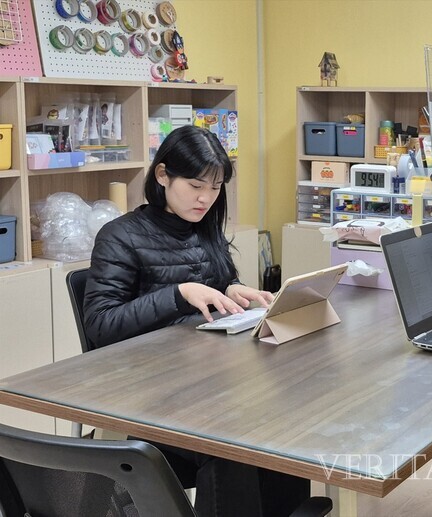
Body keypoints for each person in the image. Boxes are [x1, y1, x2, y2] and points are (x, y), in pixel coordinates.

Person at [83, 125, 309, 516]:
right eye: (195, 185)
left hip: (204, 382)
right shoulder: (120, 236)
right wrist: (178, 294)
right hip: (148, 394)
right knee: (233, 445)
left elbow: (213, 285)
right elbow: (100, 325)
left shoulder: (203, 228)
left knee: (280, 423)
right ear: (162, 175)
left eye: (216, 187)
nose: (206, 198)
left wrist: (232, 289)